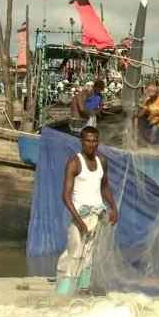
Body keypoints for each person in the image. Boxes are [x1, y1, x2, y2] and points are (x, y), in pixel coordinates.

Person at [58, 126, 118, 295]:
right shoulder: (75, 162)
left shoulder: (102, 162)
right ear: (81, 142)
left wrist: (113, 207)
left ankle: (83, 289)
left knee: (89, 255)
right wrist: (78, 221)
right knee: (74, 253)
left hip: (97, 214)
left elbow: (104, 186)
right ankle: (64, 292)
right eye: (88, 141)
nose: (92, 144)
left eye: (95, 141)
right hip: (80, 216)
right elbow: (66, 196)